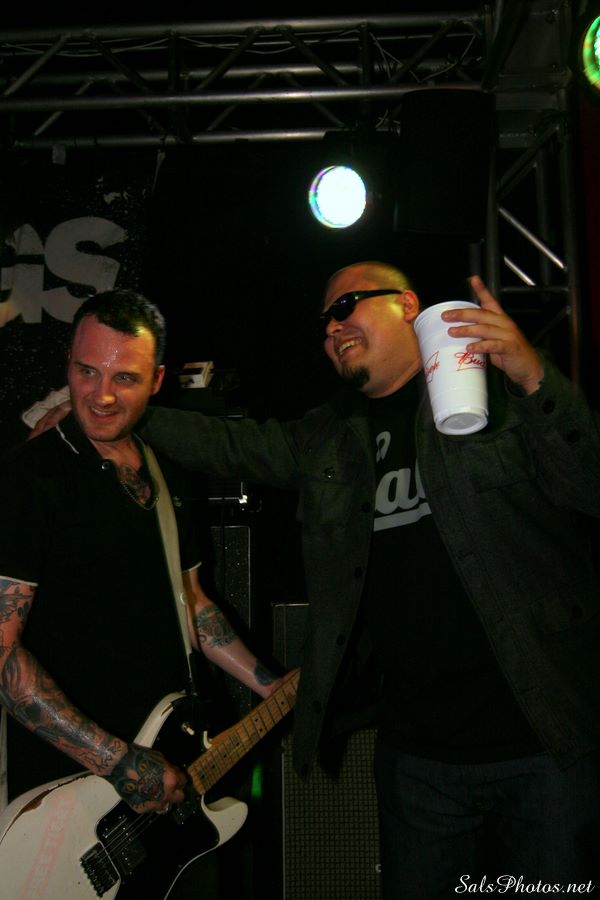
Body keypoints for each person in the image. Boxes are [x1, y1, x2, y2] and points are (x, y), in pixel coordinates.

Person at [24, 265, 600, 897]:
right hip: (419, 757)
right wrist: (116, 410)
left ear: (408, 305)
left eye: (347, 305)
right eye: (324, 319)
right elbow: (233, 445)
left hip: (543, 744)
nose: (332, 326)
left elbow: (590, 483)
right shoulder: (331, 437)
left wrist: (534, 378)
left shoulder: (502, 395)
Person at [0, 289, 289, 892]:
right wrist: (118, 760)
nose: (101, 395)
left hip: (171, 780)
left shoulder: (166, 472)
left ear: (157, 380)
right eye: (87, 371)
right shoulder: (31, 478)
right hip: (70, 798)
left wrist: (273, 686)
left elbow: (195, 605)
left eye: (124, 378)